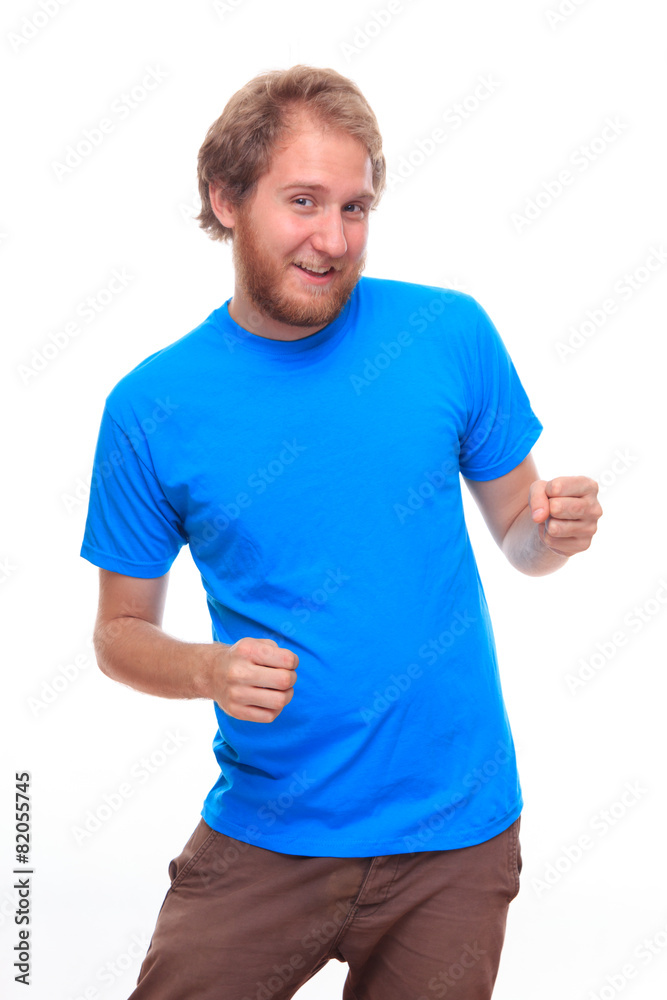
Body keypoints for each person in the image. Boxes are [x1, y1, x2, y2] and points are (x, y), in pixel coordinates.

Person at [80, 64, 602, 1000]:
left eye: (354, 207)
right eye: (303, 202)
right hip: (267, 835)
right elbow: (118, 635)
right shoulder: (150, 407)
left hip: (454, 839)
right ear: (225, 197)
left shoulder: (447, 333)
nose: (332, 239)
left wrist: (552, 533)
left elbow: (520, 539)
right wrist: (208, 670)